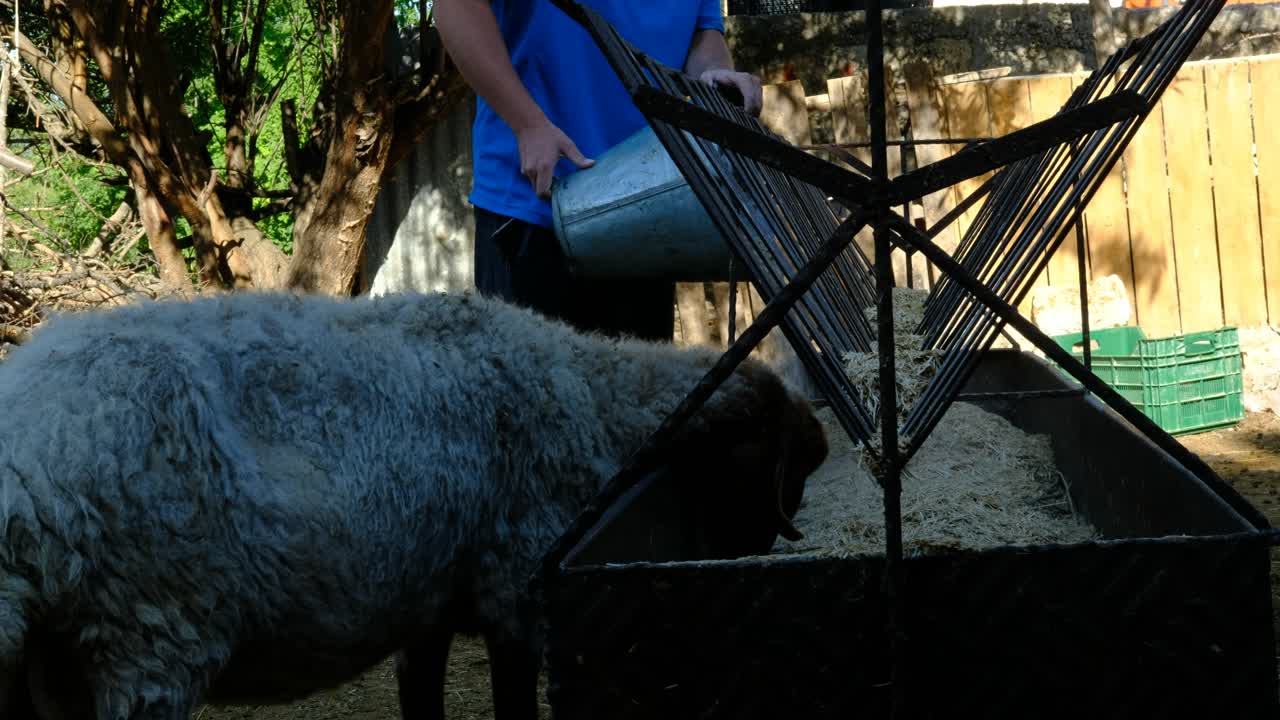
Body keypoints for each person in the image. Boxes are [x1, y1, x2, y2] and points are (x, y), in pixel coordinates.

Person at [434, 0, 764, 342]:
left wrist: (714, 74)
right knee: (529, 372)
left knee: (642, 375)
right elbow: (455, 6)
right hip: (536, 202)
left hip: (647, 212)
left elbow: (701, 33)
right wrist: (527, 124)